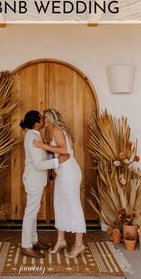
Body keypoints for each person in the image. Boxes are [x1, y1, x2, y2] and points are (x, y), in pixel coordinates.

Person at [33, 108, 86, 258]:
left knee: (74, 205)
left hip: (68, 172)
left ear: (49, 119)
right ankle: (61, 240)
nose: (43, 121)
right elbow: (64, 151)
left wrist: (42, 146)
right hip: (66, 171)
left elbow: (63, 150)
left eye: (44, 118)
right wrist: (47, 148)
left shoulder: (56, 130)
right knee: (60, 204)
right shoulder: (61, 130)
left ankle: (79, 244)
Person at [20, 110, 70, 259]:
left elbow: (41, 156)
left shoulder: (34, 135)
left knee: (34, 211)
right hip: (34, 180)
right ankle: (26, 246)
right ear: (36, 123)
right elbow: (38, 164)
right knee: (30, 213)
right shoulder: (31, 138)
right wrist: (57, 161)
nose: (44, 120)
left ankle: (33, 240)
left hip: (36, 180)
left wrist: (50, 151)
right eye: (42, 119)